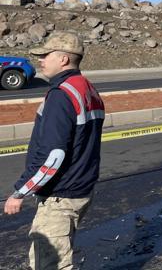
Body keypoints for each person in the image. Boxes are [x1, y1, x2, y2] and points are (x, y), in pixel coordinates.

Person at [3, 31, 105, 269]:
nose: (40, 60)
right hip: (81, 189)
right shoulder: (88, 89)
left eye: (45, 55)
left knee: (51, 263)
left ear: (63, 59)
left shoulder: (62, 95)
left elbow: (54, 156)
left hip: (61, 195)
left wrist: (20, 192)